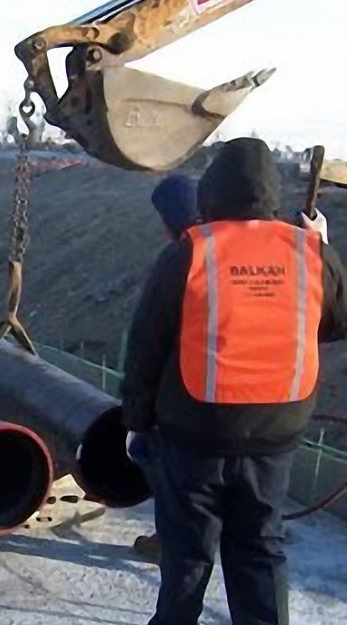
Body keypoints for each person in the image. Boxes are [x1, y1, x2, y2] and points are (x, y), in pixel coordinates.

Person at [120, 137, 347, 625]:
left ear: (212, 192)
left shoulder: (189, 253)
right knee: (259, 553)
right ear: (271, 193)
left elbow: (146, 347)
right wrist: (322, 248)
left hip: (194, 437)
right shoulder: (309, 253)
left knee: (187, 554)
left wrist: (137, 420)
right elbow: (336, 322)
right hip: (274, 438)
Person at [132, 173, 201, 562]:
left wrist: (137, 413)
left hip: (186, 393)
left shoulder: (181, 257)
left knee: (155, 456)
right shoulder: (237, 250)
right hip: (263, 401)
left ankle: (170, 538)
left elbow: (149, 341)